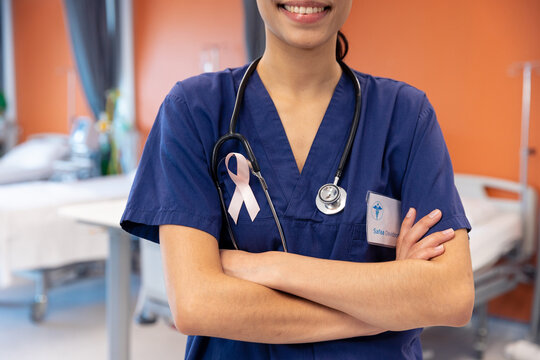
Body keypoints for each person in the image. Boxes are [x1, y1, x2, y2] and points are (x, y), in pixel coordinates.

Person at [120, 1, 474, 358]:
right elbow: (196, 303)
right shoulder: (194, 110)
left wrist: (271, 267)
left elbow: (452, 296)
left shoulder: (405, 116)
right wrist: (385, 311)